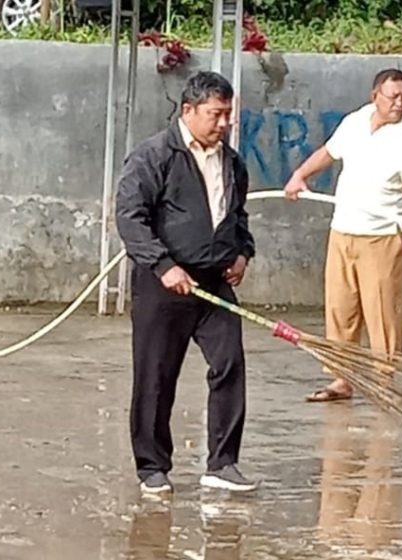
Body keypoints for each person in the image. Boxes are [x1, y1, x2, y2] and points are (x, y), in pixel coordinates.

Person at [116, 71, 258, 495]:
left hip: (214, 284)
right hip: (165, 285)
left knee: (230, 365)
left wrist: (243, 252)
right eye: (216, 114)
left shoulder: (232, 162)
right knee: (156, 375)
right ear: (188, 110)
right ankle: (152, 467)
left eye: (228, 115)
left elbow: (238, 215)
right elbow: (130, 217)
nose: (224, 124)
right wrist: (163, 266)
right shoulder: (154, 156)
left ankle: (223, 463)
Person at [283, 68, 402, 402]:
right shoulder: (356, 121)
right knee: (341, 309)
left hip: (380, 236)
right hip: (343, 230)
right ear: (375, 97)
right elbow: (329, 152)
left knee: (383, 311)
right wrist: (300, 175)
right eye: (393, 96)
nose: (399, 103)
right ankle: (342, 379)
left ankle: (386, 380)